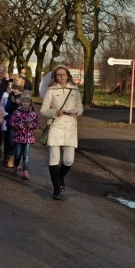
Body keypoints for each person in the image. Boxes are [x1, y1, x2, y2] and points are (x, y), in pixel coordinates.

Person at [40, 65, 83, 200]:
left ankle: (59, 178)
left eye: (64, 74)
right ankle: (56, 188)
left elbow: (80, 107)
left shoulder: (75, 90)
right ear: (55, 77)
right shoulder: (51, 91)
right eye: (59, 75)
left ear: (68, 75)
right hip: (55, 126)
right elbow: (43, 110)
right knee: (54, 159)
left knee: (69, 160)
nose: (62, 77)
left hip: (70, 127)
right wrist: (55, 112)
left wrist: (76, 112)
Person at [9, 90, 40, 180]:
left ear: (30, 103)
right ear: (21, 102)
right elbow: (11, 122)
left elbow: (37, 124)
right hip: (18, 137)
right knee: (18, 154)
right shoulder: (16, 112)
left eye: (27, 102)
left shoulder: (33, 114)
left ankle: (25, 171)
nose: (25, 103)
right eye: (23, 101)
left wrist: (32, 125)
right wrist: (18, 125)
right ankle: (16, 165)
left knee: (26, 156)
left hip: (28, 138)